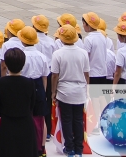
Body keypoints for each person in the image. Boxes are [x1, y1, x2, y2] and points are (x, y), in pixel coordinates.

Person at [50, 25, 90, 157]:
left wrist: (53, 92)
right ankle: (79, 148)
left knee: (66, 120)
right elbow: (86, 74)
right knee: (78, 120)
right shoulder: (83, 53)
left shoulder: (58, 54)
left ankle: (70, 148)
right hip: (79, 91)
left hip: (64, 91)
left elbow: (55, 75)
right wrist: (87, 88)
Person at [0, 48, 37, 157]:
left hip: (7, 123)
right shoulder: (30, 83)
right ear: (23, 63)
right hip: (25, 122)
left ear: (6, 64)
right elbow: (32, 104)